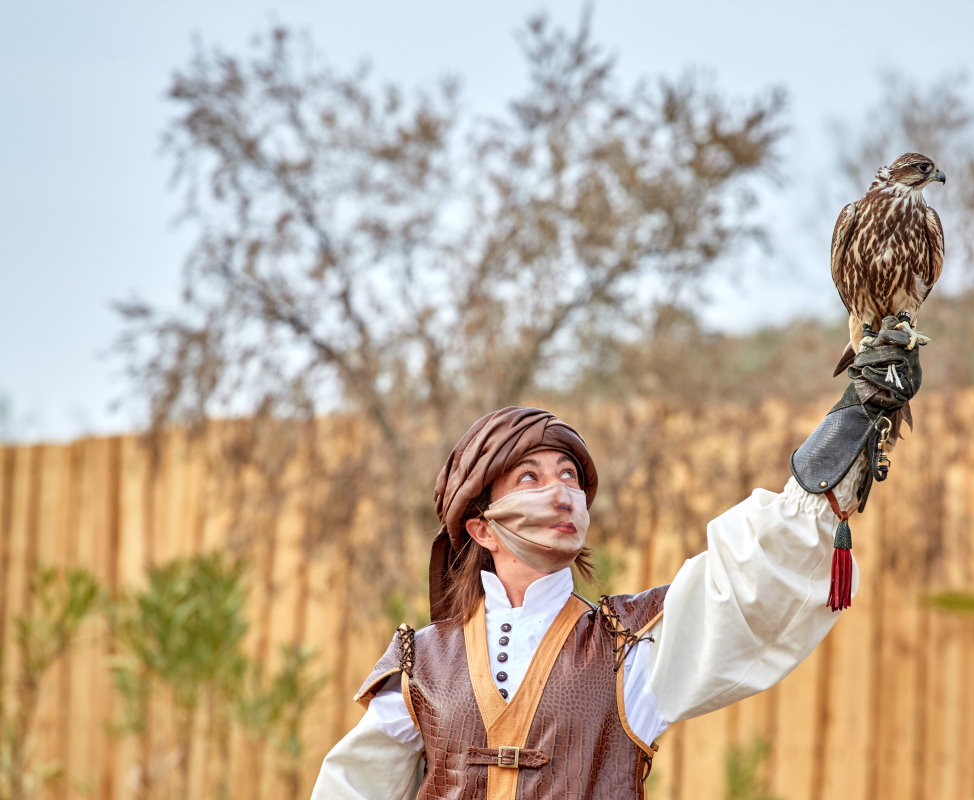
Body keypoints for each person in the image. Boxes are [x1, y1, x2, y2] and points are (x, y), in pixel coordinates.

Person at [311, 318, 922, 800]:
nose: (560, 491)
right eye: (529, 476)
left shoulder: (633, 646)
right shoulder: (423, 664)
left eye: (569, 475)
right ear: (480, 526)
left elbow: (745, 585)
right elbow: (351, 788)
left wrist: (847, 432)